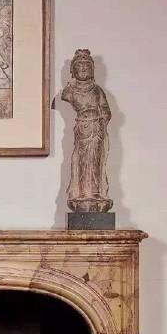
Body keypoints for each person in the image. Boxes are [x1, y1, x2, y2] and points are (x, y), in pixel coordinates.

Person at [61, 49, 113, 213]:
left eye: (86, 67)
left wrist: (103, 118)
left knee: (95, 161)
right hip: (82, 129)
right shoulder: (69, 91)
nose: (83, 69)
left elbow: (106, 109)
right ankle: (82, 193)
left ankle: (95, 193)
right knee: (82, 160)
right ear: (73, 70)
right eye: (80, 67)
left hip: (96, 129)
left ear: (92, 70)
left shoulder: (97, 90)